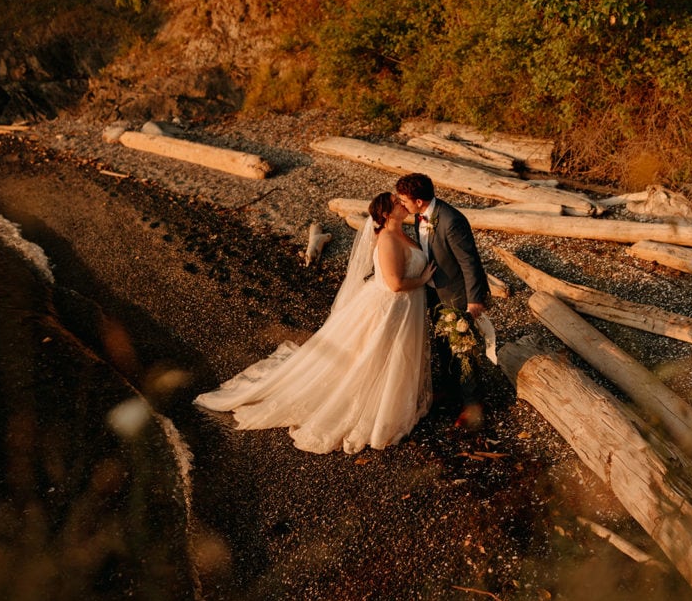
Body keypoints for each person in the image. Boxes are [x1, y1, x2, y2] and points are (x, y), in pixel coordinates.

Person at [193, 192, 436, 454]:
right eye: (397, 203)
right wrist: (422, 280)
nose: (403, 203)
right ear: (387, 214)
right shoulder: (387, 238)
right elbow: (395, 284)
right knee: (375, 356)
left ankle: (392, 398)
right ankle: (376, 405)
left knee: (389, 355)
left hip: (400, 309)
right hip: (388, 308)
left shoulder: (402, 232)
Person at [394, 173, 490, 426]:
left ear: (418, 201)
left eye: (404, 200)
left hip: (457, 294)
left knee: (463, 350)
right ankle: (450, 389)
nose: (400, 203)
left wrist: (474, 299)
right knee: (443, 345)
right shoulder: (419, 215)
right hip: (435, 290)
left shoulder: (451, 221)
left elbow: (470, 262)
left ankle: (473, 404)